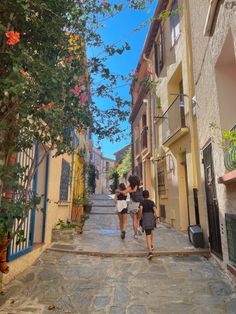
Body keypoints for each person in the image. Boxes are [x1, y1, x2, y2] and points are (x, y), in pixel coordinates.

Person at [138, 190, 160, 260]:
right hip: (151, 218)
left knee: (148, 234)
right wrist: (158, 217)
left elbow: (141, 209)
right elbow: (155, 209)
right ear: (148, 195)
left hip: (146, 218)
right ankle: (151, 245)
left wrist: (140, 216)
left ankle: (150, 252)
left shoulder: (142, 202)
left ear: (142, 196)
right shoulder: (151, 202)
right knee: (150, 231)